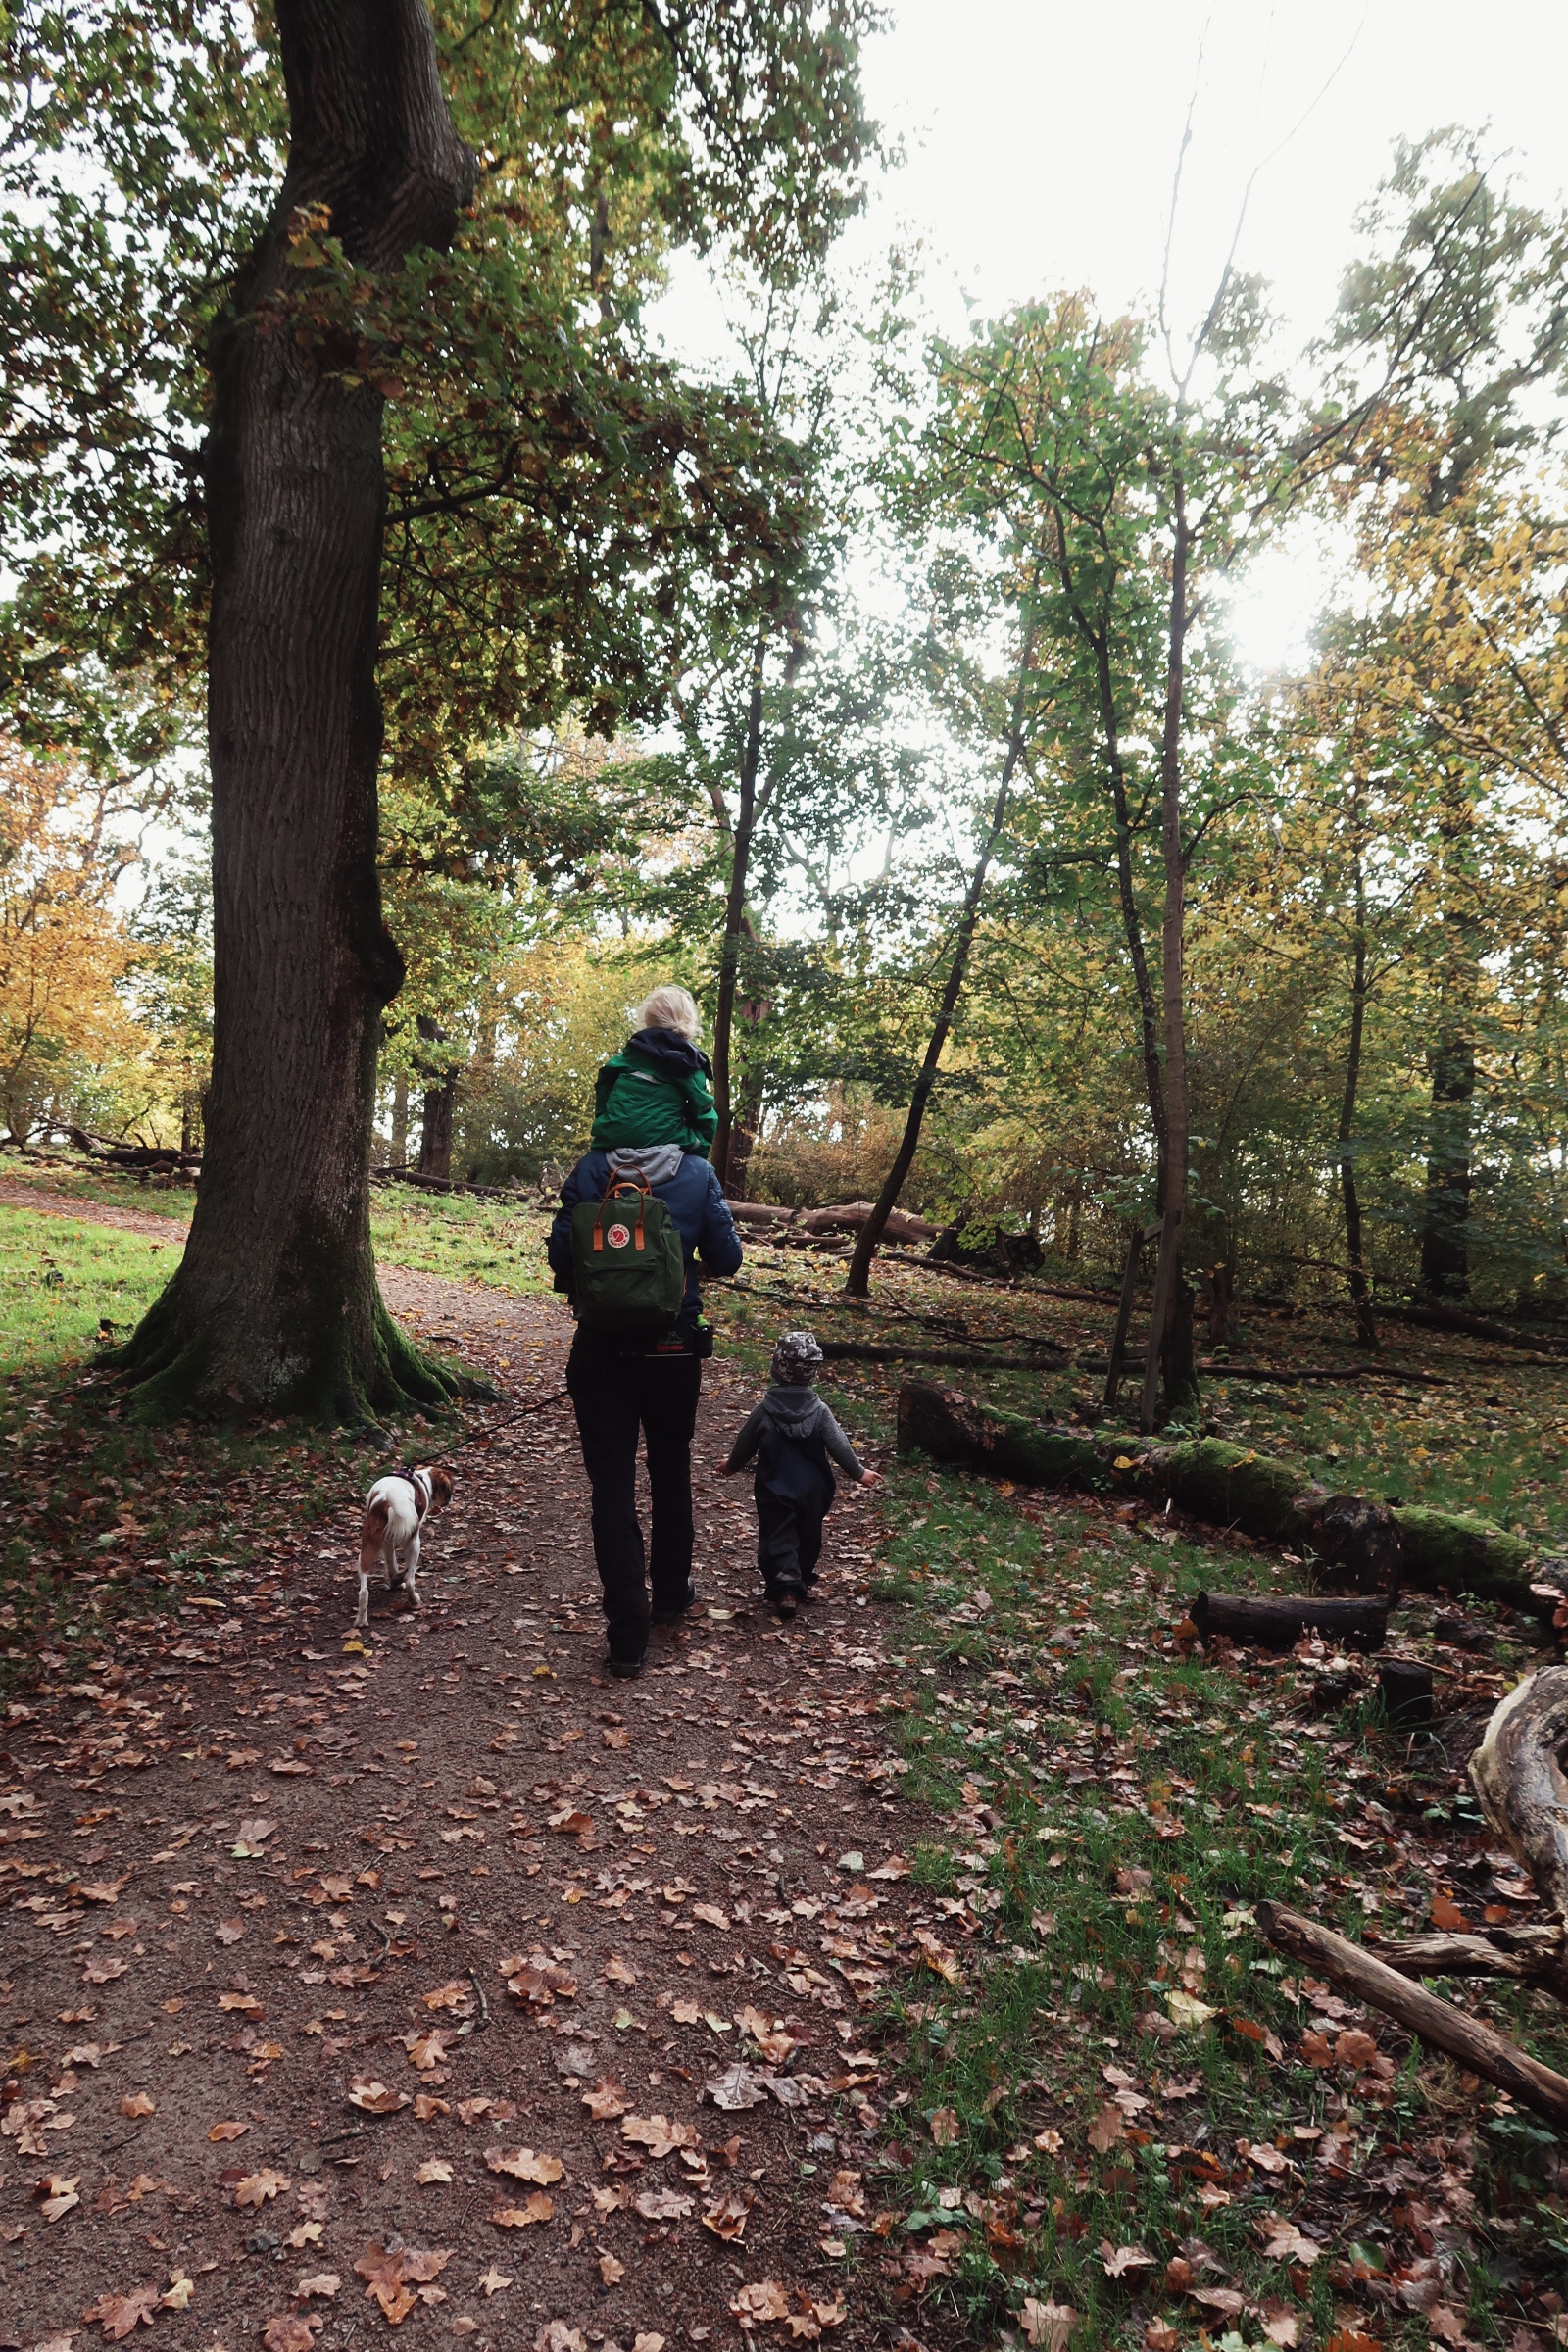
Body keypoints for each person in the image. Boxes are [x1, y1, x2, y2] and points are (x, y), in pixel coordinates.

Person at [548, 1044, 742, 1679]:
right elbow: (730, 1257)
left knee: (611, 1488)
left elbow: (559, 1259)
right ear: (682, 1105)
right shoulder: (694, 1175)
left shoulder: (592, 1169)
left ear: (624, 1101)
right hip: (673, 1350)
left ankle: (627, 1637)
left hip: (601, 1354)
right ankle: (672, 1597)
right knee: (670, 1469)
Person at [720, 1330, 880, 1617]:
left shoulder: (765, 1411)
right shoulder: (819, 1411)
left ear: (776, 1367)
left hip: (774, 1487)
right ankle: (799, 1578)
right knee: (809, 1535)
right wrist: (859, 1472)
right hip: (813, 1489)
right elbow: (839, 1444)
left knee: (778, 1536)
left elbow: (745, 1443)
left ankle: (786, 1584)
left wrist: (732, 1466)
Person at [590, 986, 718, 1160]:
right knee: (705, 1172)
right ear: (688, 1023)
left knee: (587, 1170)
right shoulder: (688, 1063)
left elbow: (604, 1083)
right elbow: (703, 1110)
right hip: (667, 1137)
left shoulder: (629, 1056)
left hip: (613, 1134)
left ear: (647, 1020)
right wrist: (701, 1148)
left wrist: (606, 1120)